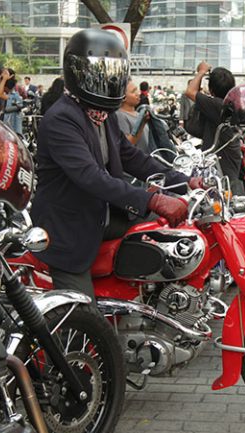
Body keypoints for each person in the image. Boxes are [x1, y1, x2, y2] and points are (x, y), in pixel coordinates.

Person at [32, 29, 198, 299]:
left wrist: (185, 182)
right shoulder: (61, 119)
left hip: (105, 213)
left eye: (113, 74)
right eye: (99, 74)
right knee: (83, 315)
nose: (108, 82)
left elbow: (132, 157)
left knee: (176, 235)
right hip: (69, 227)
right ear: (77, 73)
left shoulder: (103, 114)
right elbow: (91, 176)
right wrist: (152, 199)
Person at [185, 61, 244, 195]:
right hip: (228, 157)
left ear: (211, 89)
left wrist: (201, 72)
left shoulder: (216, 104)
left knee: (223, 195)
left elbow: (190, 91)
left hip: (220, 162)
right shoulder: (229, 104)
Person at [116, 79, 151, 152]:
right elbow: (127, 144)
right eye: (133, 91)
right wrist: (141, 124)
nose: (138, 93)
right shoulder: (120, 116)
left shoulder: (139, 114)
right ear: (123, 97)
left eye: (137, 90)